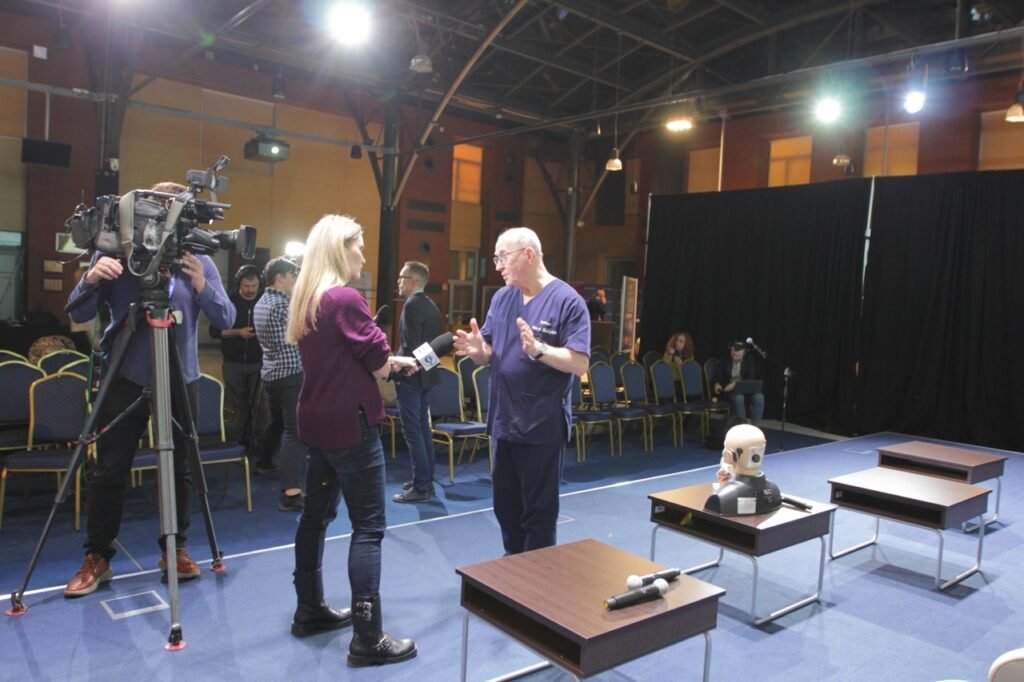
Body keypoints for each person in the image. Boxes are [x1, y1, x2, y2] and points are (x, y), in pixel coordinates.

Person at [63, 181, 236, 598]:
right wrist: (90, 279)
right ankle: (98, 556)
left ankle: (175, 548)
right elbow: (79, 312)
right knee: (110, 468)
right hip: (126, 374)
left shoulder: (197, 260)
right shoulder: (116, 251)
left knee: (179, 470)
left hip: (180, 377)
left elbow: (227, 319)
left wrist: (203, 286)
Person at [286, 214, 417, 666]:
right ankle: (368, 636)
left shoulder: (308, 299)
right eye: (359, 245)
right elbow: (378, 366)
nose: (363, 254)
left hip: (317, 423)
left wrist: (389, 360)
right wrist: (396, 363)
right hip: (351, 427)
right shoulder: (345, 299)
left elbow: (350, 356)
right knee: (369, 527)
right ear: (341, 248)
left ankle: (309, 609)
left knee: (314, 518)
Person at [454, 227, 590, 555]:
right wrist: (478, 351)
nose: (498, 266)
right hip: (503, 422)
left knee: (538, 515)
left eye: (503, 257)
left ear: (529, 255)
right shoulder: (503, 298)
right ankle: (512, 569)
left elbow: (580, 363)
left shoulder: (568, 301)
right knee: (506, 510)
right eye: (496, 259)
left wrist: (539, 349)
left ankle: (536, 580)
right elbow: (489, 352)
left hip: (541, 426)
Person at [253, 257, 306, 511]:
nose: (295, 280)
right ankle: (291, 492)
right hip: (290, 374)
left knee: (277, 423)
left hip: (271, 374)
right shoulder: (283, 305)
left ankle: (264, 461)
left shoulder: (261, 303)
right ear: (280, 277)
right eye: (293, 275)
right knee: (294, 432)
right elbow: (301, 336)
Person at [393, 260, 442, 503]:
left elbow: (411, 345)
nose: (398, 282)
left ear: (412, 281)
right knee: (422, 429)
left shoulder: (411, 305)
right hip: (427, 374)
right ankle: (425, 479)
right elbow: (429, 346)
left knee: (413, 431)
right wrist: (424, 368)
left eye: (402, 278)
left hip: (411, 375)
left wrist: (401, 369)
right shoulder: (432, 305)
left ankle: (422, 487)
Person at [209, 264, 264, 458]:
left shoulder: (264, 301)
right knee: (237, 406)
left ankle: (258, 448)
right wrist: (238, 332)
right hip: (233, 363)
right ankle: (236, 446)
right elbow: (215, 331)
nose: (250, 290)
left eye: (254, 285)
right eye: (246, 286)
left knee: (260, 407)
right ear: (239, 284)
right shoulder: (228, 301)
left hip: (258, 363)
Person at [713, 340, 764, 424]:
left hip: (745, 389)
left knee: (759, 397)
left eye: (737, 352)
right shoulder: (725, 359)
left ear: (744, 352)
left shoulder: (749, 359)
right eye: (732, 351)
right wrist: (717, 385)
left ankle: (755, 426)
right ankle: (741, 425)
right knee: (738, 397)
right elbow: (717, 376)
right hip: (730, 390)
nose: (734, 353)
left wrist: (736, 384)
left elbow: (751, 377)